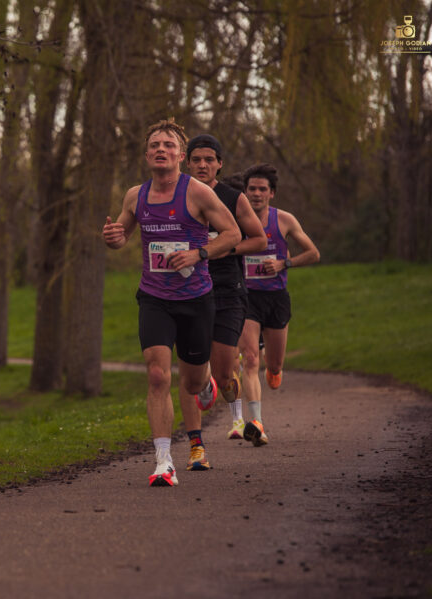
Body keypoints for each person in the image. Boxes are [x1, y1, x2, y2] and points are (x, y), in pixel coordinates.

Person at [102, 119, 240, 487]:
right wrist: (113, 237)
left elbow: (233, 234)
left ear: (180, 154)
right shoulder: (136, 195)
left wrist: (199, 254)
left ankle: (207, 378)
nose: (161, 149)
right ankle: (164, 460)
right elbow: (121, 236)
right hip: (154, 298)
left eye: (168, 145)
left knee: (192, 383)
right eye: (154, 146)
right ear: (147, 155)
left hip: (196, 298)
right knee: (158, 374)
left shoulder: (198, 194)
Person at [182, 136, 267, 469]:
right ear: (187, 163)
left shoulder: (234, 198)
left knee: (223, 369)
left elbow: (259, 239)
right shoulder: (178, 196)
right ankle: (196, 447)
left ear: (219, 164)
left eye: (209, 159)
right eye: (197, 159)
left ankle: (220, 388)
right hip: (186, 289)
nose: (203, 165)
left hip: (226, 289)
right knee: (190, 371)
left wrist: (224, 247)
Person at [238, 163, 320, 447]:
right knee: (249, 360)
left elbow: (313, 253)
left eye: (262, 189)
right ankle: (257, 424)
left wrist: (285, 263)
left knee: (272, 369)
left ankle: (274, 369)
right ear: (244, 192)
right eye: (252, 189)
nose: (256, 194)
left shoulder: (284, 220)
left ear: (272, 193)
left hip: (276, 299)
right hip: (246, 297)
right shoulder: (235, 221)